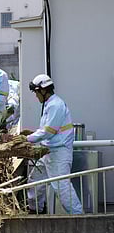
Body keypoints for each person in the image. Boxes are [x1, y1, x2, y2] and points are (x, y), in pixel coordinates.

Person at [16, 74, 83, 214]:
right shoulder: (49, 104)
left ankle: (79, 217)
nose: (36, 96)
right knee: (35, 183)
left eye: (36, 92)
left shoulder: (56, 105)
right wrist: (32, 133)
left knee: (62, 188)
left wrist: (27, 139)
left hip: (58, 154)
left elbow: (48, 132)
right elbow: (48, 130)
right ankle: (35, 212)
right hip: (47, 152)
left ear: (43, 90)